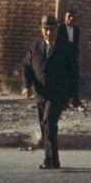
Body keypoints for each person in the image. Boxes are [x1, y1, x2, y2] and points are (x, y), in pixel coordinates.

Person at [22, 15, 79, 171]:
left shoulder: (65, 47)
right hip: (41, 93)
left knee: (49, 123)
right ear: (42, 30)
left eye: (51, 30)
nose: (48, 33)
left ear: (56, 30)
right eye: (45, 30)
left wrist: (72, 95)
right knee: (44, 126)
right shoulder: (35, 47)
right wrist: (27, 86)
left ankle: (51, 160)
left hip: (58, 94)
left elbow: (73, 72)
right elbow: (27, 68)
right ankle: (52, 159)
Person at [56, 9, 83, 107]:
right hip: (62, 58)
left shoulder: (76, 30)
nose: (71, 19)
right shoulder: (60, 28)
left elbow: (76, 44)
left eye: (73, 16)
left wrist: (75, 56)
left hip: (72, 57)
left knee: (74, 77)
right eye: (69, 16)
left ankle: (74, 100)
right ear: (65, 17)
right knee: (63, 79)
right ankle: (63, 101)